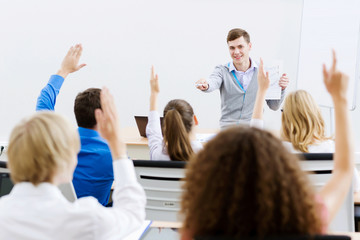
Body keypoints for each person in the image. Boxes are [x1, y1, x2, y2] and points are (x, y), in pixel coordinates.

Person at [181, 52, 353, 238]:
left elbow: (254, 144)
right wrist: (340, 99)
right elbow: (344, 173)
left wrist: (261, 91)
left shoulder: (200, 228)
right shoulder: (305, 220)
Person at [0, 88, 146, 240]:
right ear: (65, 162)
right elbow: (132, 214)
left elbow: (42, 112)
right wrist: (118, 150)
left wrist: (62, 72)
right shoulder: (87, 220)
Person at [253, 54, 360, 192]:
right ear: (315, 115)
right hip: (328, 213)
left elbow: (254, 140)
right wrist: (339, 98)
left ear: (286, 119)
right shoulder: (334, 150)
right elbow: (355, 188)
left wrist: (262, 91)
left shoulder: (280, 151)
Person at [36, 44, 113, 206]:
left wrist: (64, 71)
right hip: (95, 226)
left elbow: (43, 105)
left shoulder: (57, 144)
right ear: (102, 117)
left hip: (58, 222)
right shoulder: (113, 156)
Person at [195, 28, 289, 128]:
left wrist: (282, 89)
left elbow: (274, 106)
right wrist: (206, 84)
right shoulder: (222, 70)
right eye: (232, 48)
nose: (236, 52)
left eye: (240, 46)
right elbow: (213, 81)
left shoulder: (263, 72)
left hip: (254, 130)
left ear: (249, 46)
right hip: (228, 130)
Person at [146, 66, 202, 161]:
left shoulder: (157, 154)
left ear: (167, 125)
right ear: (195, 120)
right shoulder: (202, 155)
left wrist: (154, 93)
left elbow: (153, 134)